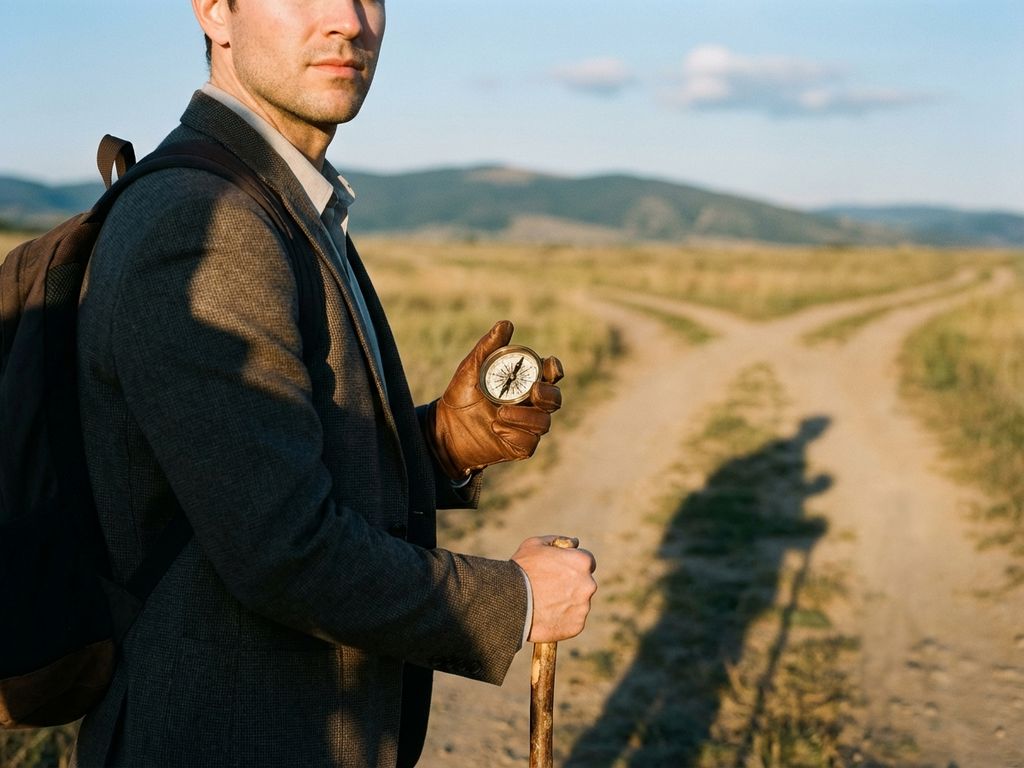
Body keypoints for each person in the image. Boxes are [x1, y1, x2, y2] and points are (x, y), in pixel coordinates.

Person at [71, 1, 597, 766]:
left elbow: (254, 477)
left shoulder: (277, 198)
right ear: (216, 12)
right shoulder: (205, 219)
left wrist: (438, 445)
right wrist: (514, 602)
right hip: (224, 737)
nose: (347, 20)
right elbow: (283, 549)